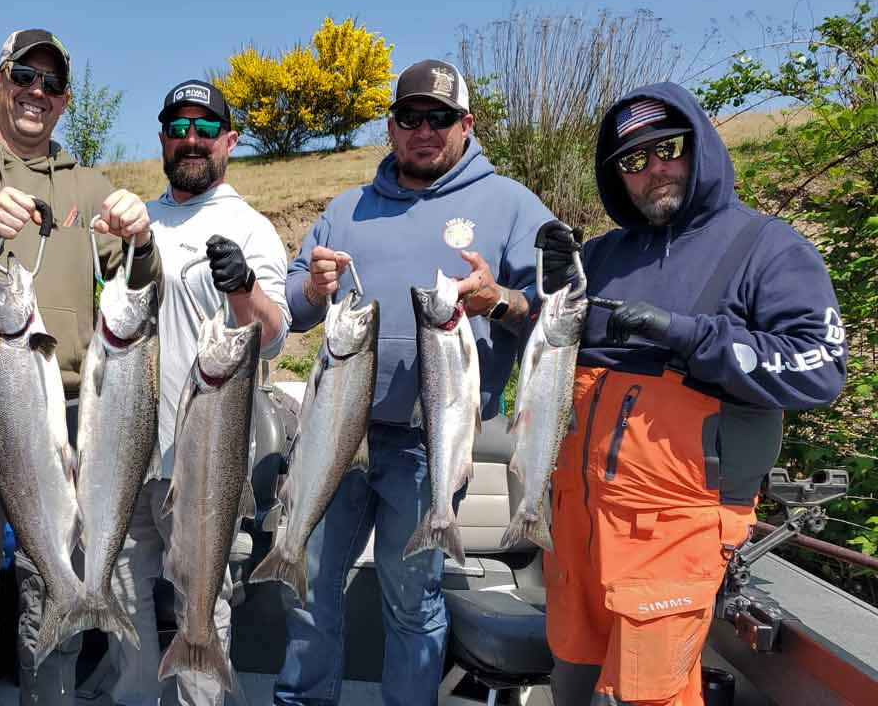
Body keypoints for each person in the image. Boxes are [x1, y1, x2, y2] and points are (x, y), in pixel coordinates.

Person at [540, 84, 846, 706]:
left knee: (645, 698)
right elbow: (543, 356)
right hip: (577, 523)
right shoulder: (599, 256)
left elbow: (820, 370)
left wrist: (690, 336)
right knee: (570, 683)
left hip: (676, 528)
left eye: (667, 149)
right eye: (631, 161)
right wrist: (522, 300)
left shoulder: (768, 249)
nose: (652, 170)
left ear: (699, 146)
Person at [0, 28, 161, 706]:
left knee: (54, 606)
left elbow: (139, 288)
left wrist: (142, 236)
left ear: (66, 99)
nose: (35, 92)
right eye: (24, 76)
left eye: (50, 83)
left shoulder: (88, 181)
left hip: (73, 417)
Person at [274, 59, 555, 705]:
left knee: (412, 604)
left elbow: (566, 314)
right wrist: (314, 288)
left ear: (467, 125)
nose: (423, 130)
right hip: (333, 436)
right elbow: (293, 304)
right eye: (409, 117)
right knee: (309, 588)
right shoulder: (347, 210)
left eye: (440, 117)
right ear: (391, 126)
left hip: (431, 447)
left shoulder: (510, 204)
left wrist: (504, 299)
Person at [102, 79, 290, 706]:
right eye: (178, 128)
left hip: (207, 464)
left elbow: (272, 337)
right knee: (123, 604)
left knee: (202, 604)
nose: (191, 139)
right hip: (125, 460)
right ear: (160, 139)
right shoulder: (138, 223)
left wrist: (242, 290)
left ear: (229, 142)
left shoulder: (252, 227)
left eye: (206, 129)